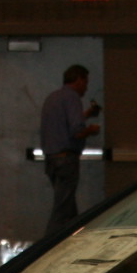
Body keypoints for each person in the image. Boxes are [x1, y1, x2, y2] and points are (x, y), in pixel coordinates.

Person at [40, 64, 102, 232]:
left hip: (52, 159)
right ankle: (48, 247)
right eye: (86, 82)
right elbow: (76, 131)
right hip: (67, 160)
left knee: (68, 208)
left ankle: (73, 238)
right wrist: (92, 129)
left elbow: (62, 125)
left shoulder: (53, 98)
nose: (86, 87)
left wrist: (87, 114)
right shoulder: (72, 98)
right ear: (79, 80)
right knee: (62, 211)